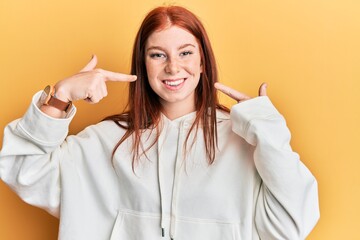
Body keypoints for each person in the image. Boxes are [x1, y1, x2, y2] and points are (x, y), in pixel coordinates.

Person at [0, 5, 319, 240]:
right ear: (143, 63)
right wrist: (61, 94)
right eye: (157, 55)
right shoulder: (106, 141)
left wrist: (269, 133)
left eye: (185, 53)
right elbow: (23, 171)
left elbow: (293, 224)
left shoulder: (244, 140)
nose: (172, 67)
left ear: (202, 60)